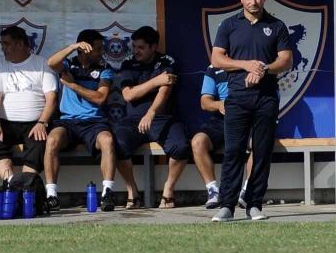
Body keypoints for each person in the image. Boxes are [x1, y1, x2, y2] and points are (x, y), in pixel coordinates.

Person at [211, 0, 292, 222]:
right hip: (237, 97)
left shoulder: (276, 25)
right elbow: (217, 59)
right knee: (233, 151)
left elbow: (286, 60)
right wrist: (246, 65)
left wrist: (263, 69)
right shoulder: (229, 25)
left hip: (266, 98)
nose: (253, 1)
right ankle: (227, 206)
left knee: (262, 151)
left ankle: (254, 204)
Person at [114, 26, 190, 209]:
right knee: (116, 146)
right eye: (134, 46)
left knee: (181, 147)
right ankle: (132, 192)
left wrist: (151, 113)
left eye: (141, 47)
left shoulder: (166, 61)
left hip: (160, 118)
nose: (136, 51)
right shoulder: (128, 63)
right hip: (132, 120)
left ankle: (168, 189)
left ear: (153, 47)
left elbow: (165, 90)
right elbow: (128, 95)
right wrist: (155, 81)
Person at [45, 29, 116, 211]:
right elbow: (51, 62)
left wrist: (73, 85)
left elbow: (100, 98)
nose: (101, 52)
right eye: (98, 49)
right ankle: (51, 195)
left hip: (94, 122)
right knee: (52, 140)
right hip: (68, 122)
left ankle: (107, 193)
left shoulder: (104, 69)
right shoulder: (68, 64)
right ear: (85, 49)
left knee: (108, 140)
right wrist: (73, 46)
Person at [0, 26, 57, 184]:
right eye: (2, 44)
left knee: (39, 144)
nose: (3, 48)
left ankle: (25, 185)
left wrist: (42, 123)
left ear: (20, 44)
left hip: (35, 123)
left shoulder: (42, 64)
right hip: (6, 123)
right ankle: (11, 184)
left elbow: (51, 99)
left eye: (7, 44)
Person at [191, 65, 252, 209]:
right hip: (220, 121)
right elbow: (205, 102)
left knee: (258, 142)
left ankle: (247, 191)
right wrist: (219, 104)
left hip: (247, 119)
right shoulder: (213, 69)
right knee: (198, 141)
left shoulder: (249, 61)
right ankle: (213, 191)